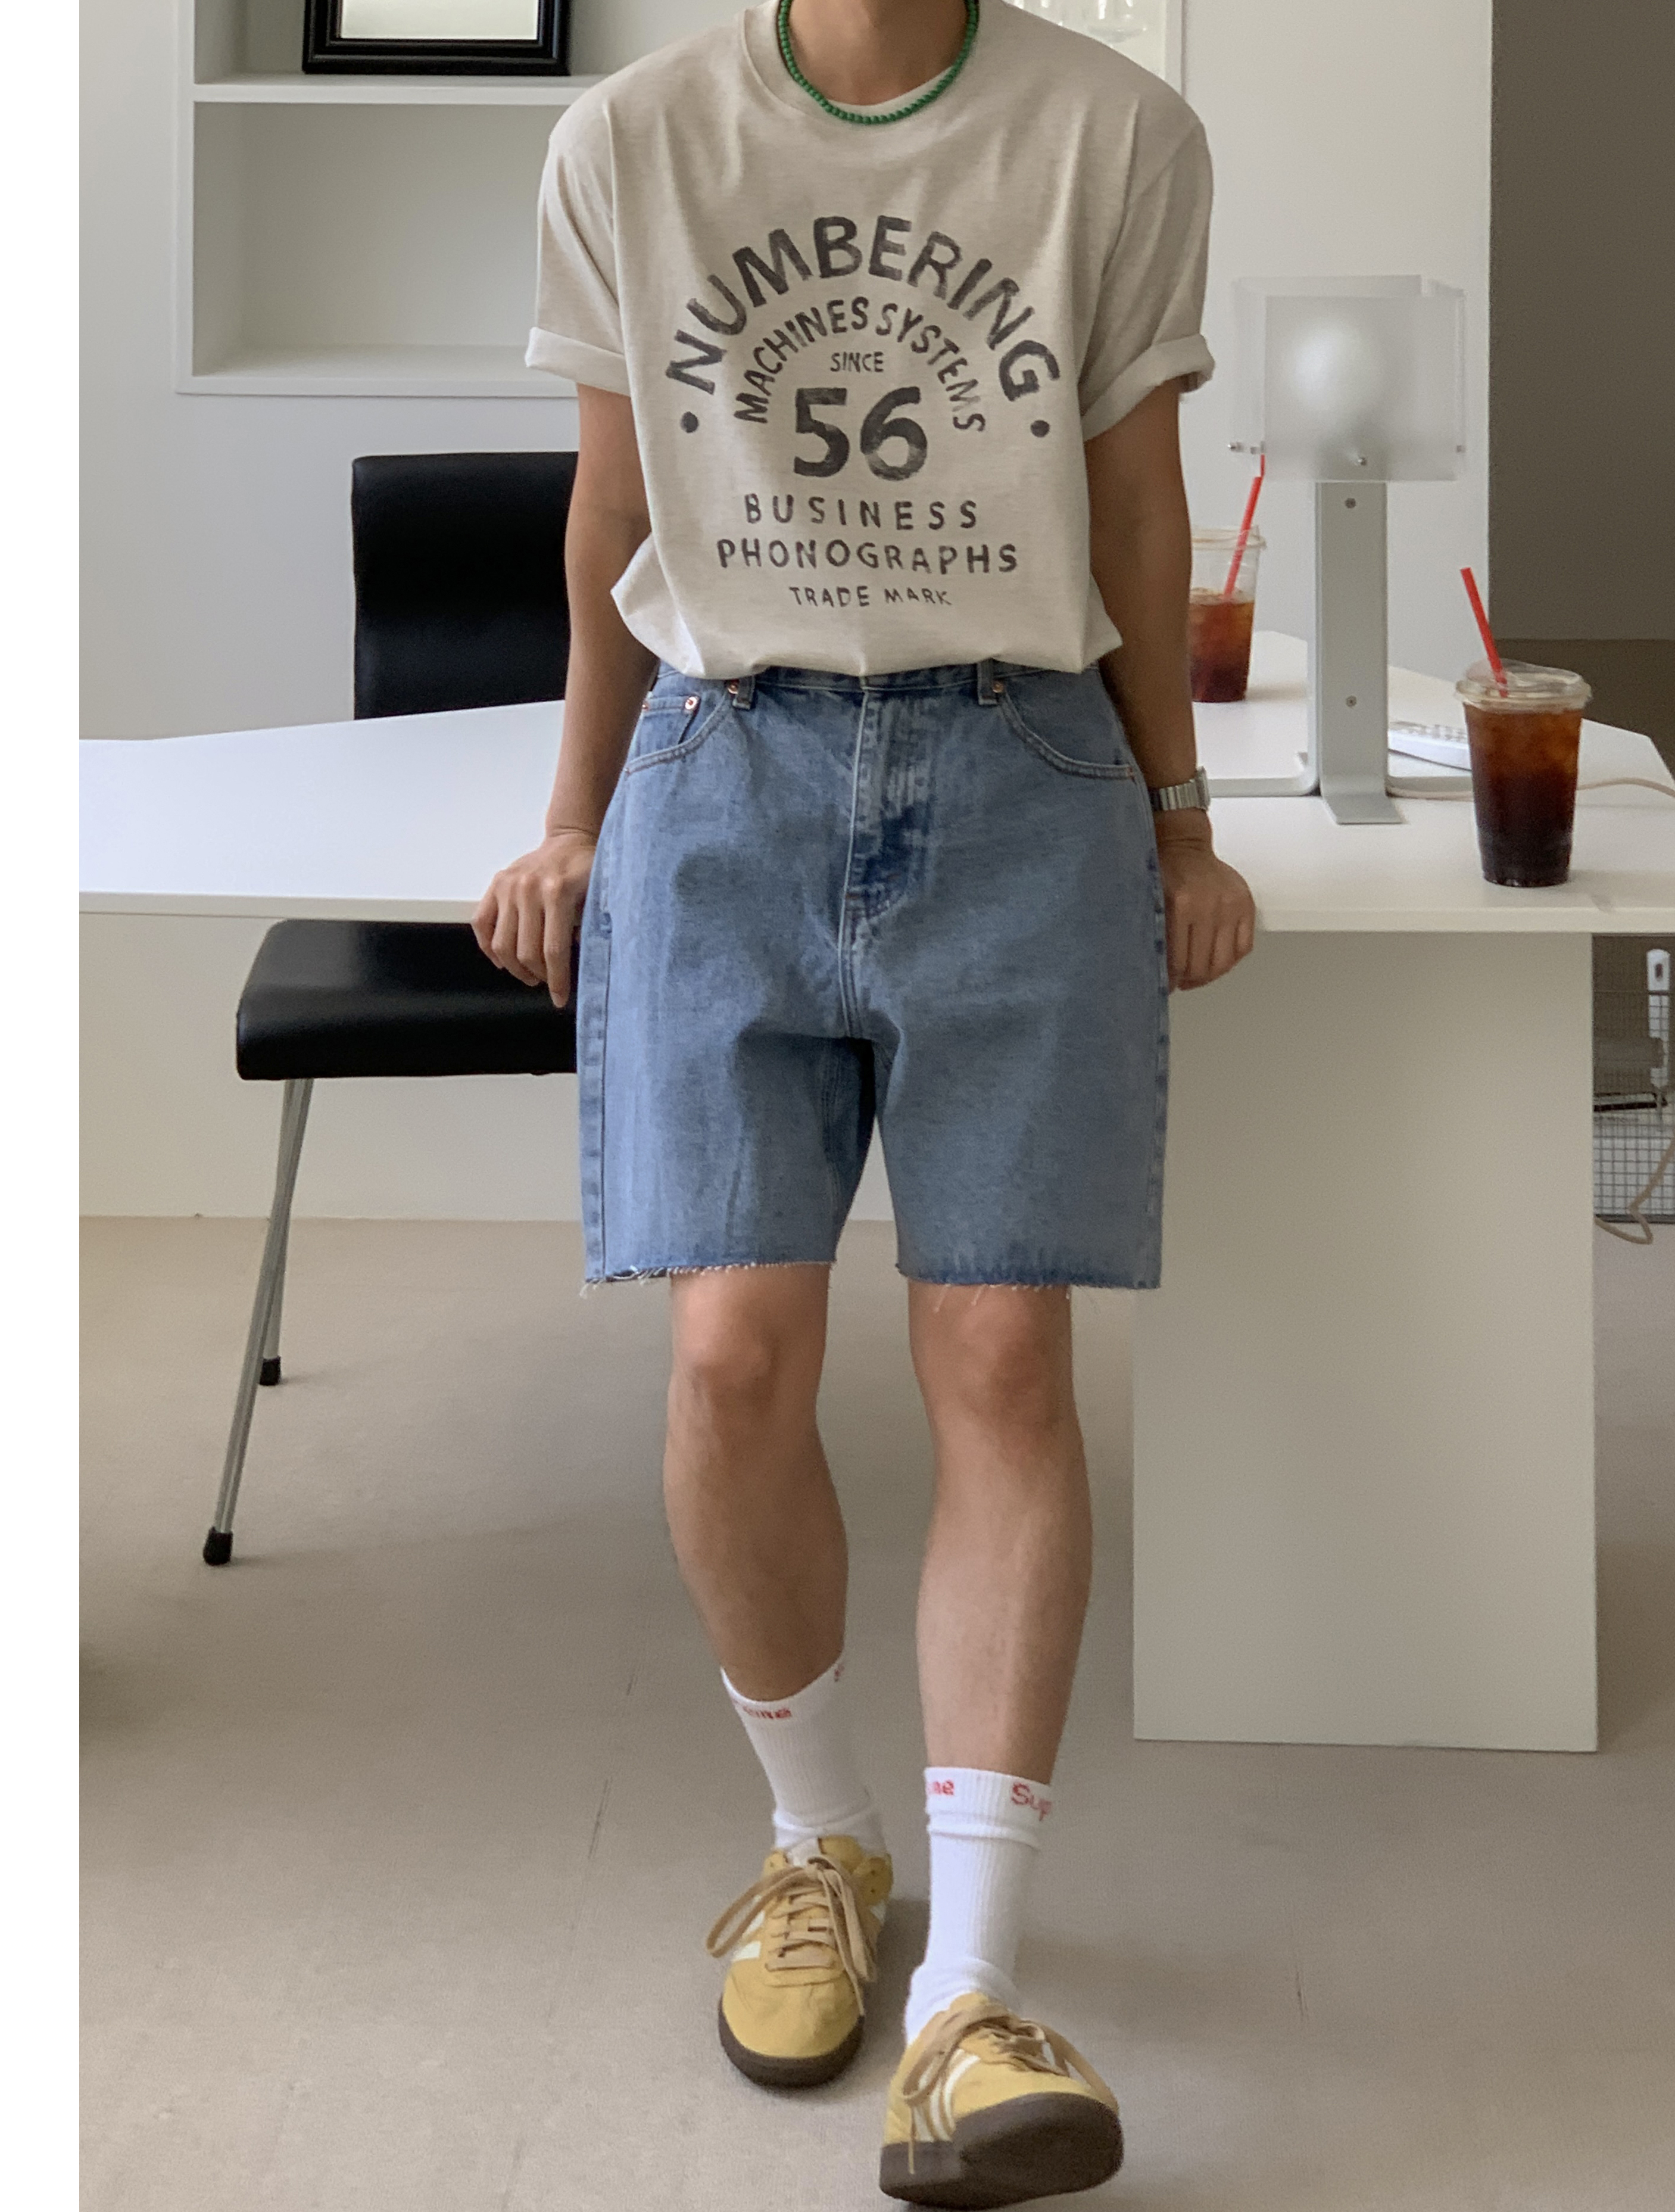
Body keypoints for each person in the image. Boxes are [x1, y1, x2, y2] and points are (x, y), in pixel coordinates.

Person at [479, 2, 1255, 2199]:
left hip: (1026, 770)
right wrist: (573, 815)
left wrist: (1181, 818)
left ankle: (970, 1992)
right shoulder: (632, 141)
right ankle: (817, 1838)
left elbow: (1133, 501)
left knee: (1000, 1349)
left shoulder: (1117, 136)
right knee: (732, 1350)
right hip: (723, 770)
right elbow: (610, 510)